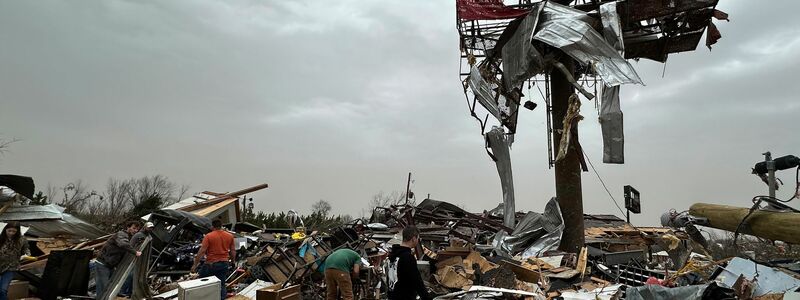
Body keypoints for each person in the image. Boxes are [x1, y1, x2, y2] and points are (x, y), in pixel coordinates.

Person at [96, 221, 142, 299]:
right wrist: (135, 252)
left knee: (110, 288)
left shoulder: (129, 238)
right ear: (128, 227)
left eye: (137, 229)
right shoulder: (121, 234)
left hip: (110, 265)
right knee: (103, 288)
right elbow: (123, 244)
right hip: (103, 264)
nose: (135, 231)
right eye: (134, 228)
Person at [191, 219, 235, 300]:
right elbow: (232, 251)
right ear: (221, 226)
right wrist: (233, 262)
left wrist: (195, 265)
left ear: (212, 227)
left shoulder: (208, 236)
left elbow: (202, 251)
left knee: (200, 281)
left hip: (211, 264)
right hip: (224, 263)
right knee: (221, 284)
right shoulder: (230, 236)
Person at [388, 226, 431, 300]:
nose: (418, 241)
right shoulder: (407, 257)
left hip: (393, 296)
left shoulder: (393, 255)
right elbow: (417, 281)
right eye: (418, 238)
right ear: (413, 239)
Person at [119, 221, 154, 297]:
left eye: (151, 228)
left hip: (143, 260)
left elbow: (149, 249)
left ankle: (130, 292)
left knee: (136, 276)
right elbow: (130, 245)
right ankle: (122, 291)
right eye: (149, 227)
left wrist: (149, 258)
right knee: (130, 275)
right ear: (145, 227)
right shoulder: (138, 235)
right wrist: (131, 255)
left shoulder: (149, 237)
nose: (150, 229)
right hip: (135, 258)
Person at [0, 222, 29, 300]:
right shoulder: (1, 238)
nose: (11, 233)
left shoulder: (22, 239)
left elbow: (26, 248)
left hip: (11, 267)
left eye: (14, 231)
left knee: (3, 290)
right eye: (9, 231)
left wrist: (26, 255)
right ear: (5, 229)